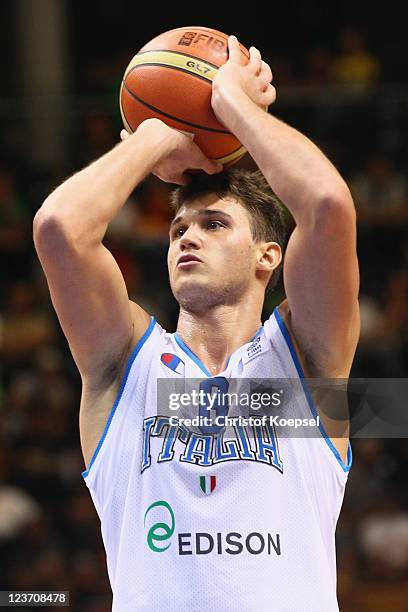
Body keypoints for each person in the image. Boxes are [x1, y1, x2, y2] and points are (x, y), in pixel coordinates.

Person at [33, 35, 360, 612]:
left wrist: (232, 103)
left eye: (214, 225)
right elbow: (60, 227)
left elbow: (327, 206)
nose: (187, 236)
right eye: (179, 228)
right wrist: (156, 133)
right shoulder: (120, 368)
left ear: (268, 256)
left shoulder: (309, 362)